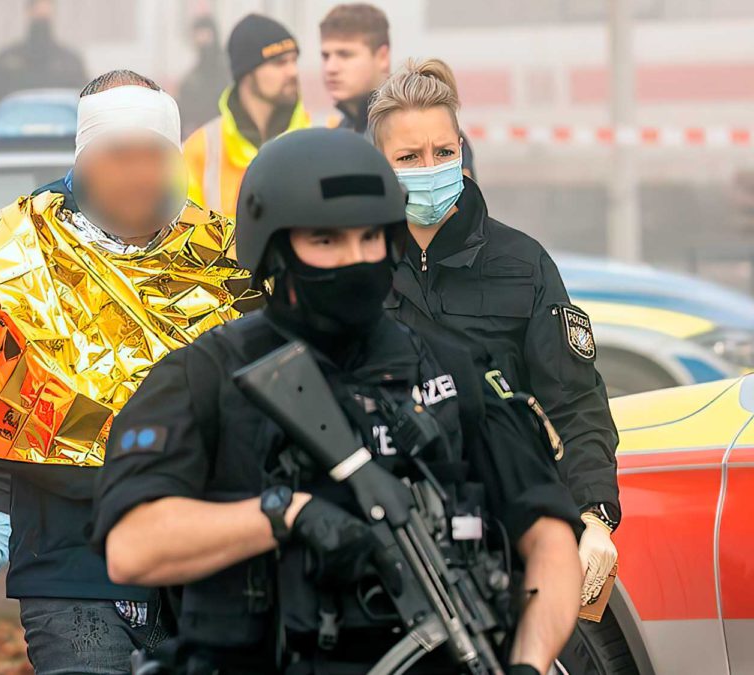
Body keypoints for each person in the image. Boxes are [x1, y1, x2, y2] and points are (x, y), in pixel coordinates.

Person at [93, 128, 583, 674]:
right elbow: (133, 547)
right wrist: (284, 516)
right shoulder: (205, 375)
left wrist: (529, 662)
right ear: (276, 249)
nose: (355, 259)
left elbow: (550, 538)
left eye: (370, 238)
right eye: (326, 242)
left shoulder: (451, 367)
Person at [0, 70, 257, 674]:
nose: (137, 173)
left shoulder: (215, 254)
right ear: (84, 158)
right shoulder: (20, 249)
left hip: (191, 557)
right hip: (68, 559)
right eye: (118, 155)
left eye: (153, 155)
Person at [367, 60, 621, 609]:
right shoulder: (354, 267)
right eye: (408, 158)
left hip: (512, 542)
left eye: (442, 152)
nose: (430, 168)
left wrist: (593, 515)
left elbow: (575, 403)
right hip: (384, 550)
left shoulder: (522, 263)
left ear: (461, 150)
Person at [319, 4, 477, 178]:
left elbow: (458, 203)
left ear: (382, 57)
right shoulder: (341, 132)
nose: (331, 67)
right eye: (326, 56)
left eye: (345, 54)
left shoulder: (430, 129)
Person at [183, 14, 310, 218]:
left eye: (294, 61)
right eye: (279, 62)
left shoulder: (319, 136)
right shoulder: (199, 150)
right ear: (247, 72)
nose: (292, 71)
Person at [0, 0, 88, 123]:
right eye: (37, 7)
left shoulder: (69, 61)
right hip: (12, 135)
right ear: (27, 12)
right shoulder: (6, 61)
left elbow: (87, 105)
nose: (41, 13)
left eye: (46, 7)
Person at [177, 15, 230, 137]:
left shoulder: (225, 69)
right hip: (200, 134)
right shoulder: (192, 78)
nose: (200, 40)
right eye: (197, 35)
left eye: (204, 34)